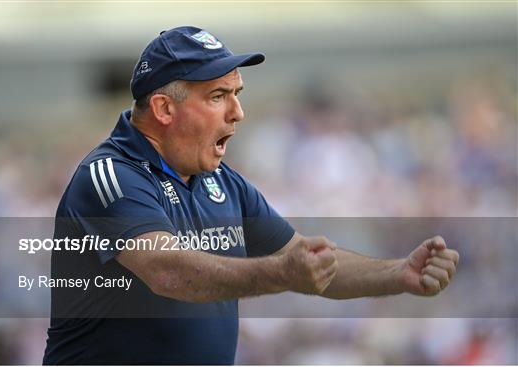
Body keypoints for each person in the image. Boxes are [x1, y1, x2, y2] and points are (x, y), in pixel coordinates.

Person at [43, 26, 459, 365]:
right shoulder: (109, 176)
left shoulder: (222, 181)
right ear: (164, 110)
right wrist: (280, 274)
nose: (237, 112)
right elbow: (167, 271)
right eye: (218, 97)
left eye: (236, 95)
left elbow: (306, 260)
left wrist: (399, 274)